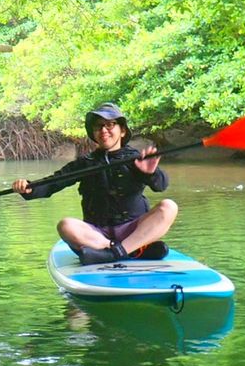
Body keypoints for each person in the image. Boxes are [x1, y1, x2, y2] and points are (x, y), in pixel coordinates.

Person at [11, 103, 177, 266]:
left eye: (110, 124)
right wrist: (29, 188)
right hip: (97, 235)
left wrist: (150, 173)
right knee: (65, 225)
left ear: (122, 130)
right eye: (99, 126)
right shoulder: (85, 163)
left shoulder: (136, 159)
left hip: (133, 230)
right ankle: (129, 250)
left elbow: (161, 185)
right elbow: (53, 182)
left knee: (169, 207)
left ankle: (113, 253)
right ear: (94, 133)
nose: (104, 130)